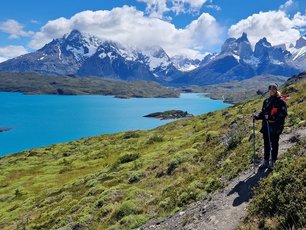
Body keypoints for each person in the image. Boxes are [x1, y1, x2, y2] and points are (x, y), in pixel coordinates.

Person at [253, 83, 287, 169]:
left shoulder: (281, 101)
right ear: (268, 90)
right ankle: (266, 162)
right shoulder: (266, 101)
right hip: (266, 126)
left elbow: (283, 114)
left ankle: (273, 162)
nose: (272, 91)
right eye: (270, 89)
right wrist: (256, 117)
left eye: (274, 89)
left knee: (274, 144)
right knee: (266, 144)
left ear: (276, 90)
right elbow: (263, 113)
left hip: (275, 127)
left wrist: (271, 117)